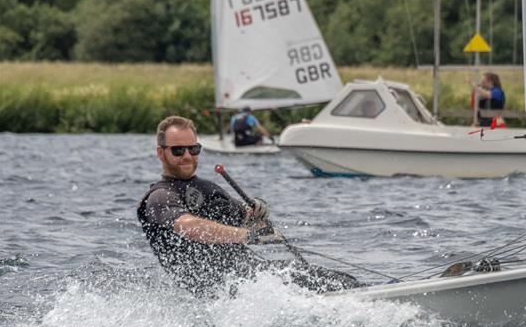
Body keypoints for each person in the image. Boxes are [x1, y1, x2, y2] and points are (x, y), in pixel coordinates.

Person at [137, 116, 361, 296]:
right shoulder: (160, 196)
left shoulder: (207, 187)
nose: (187, 156)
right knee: (336, 283)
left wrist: (257, 212)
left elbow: (247, 217)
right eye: (178, 150)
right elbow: (189, 226)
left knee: (341, 280)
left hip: (253, 276)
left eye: (193, 149)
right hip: (222, 289)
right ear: (161, 152)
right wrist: (247, 235)